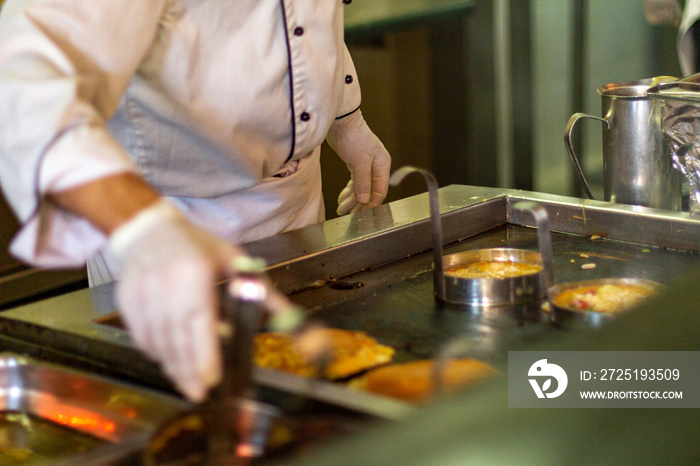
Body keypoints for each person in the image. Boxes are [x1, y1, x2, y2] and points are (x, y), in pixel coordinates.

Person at [0, 1, 391, 402]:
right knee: (185, 416)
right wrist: (144, 228)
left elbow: (303, 21)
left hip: (296, 205)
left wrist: (346, 116)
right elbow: (23, 83)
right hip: (170, 223)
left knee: (310, 409)